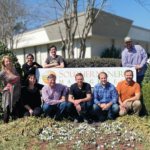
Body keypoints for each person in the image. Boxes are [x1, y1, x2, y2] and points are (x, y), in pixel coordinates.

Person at [0, 56, 21, 123]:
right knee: (7, 111)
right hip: (8, 94)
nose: (8, 62)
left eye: (9, 61)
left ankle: (16, 125)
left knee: (17, 109)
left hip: (17, 92)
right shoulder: (3, 72)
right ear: (4, 63)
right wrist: (2, 89)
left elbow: (17, 79)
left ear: (11, 62)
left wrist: (20, 85)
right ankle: (5, 127)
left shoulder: (14, 69)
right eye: (6, 61)